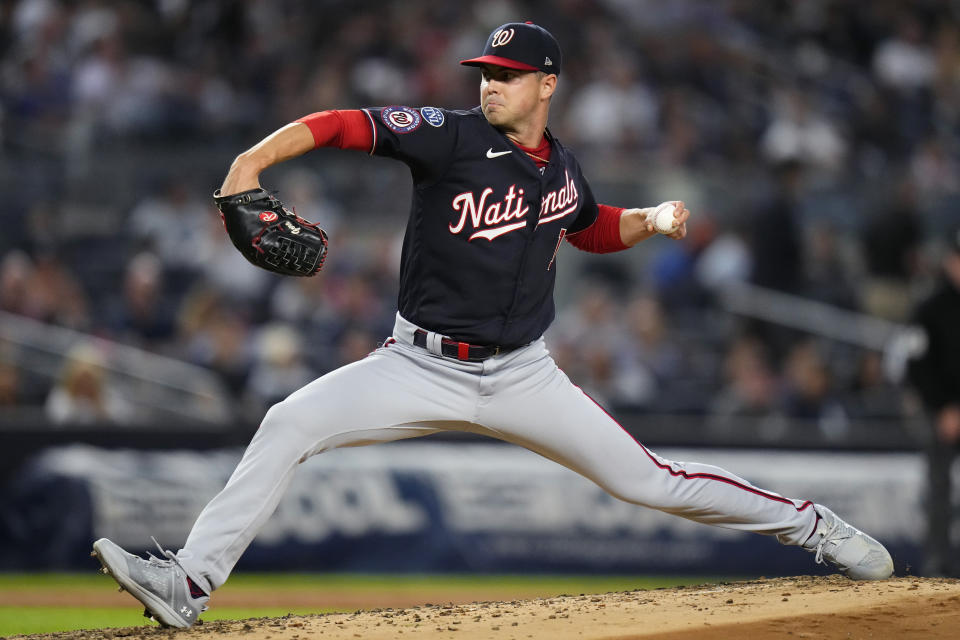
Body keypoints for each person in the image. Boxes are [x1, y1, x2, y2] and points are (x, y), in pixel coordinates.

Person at [90, 22, 894, 628]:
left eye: (508, 77)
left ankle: (812, 526)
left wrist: (645, 219)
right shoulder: (449, 138)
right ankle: (188, 583)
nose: (490, 86)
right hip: (416, 364)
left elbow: (583, 222)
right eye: (485, 73)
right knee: (288, 421)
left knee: (650, 480)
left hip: (523, 375)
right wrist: (250, 164)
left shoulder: (563, 165)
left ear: (548, 85)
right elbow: (342, 122)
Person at [907, 227, 960, 576]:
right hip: (941, 414)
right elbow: (916, 364)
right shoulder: (930, 307)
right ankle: (938, 566)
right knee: (938, 493)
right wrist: (944, 406)